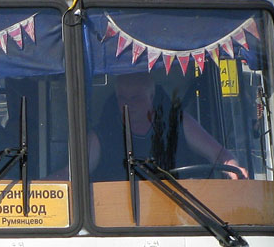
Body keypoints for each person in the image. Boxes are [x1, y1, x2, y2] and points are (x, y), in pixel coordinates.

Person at [89, 70, 247, 180]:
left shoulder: (177, 123)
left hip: (180, 213)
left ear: (151, 97)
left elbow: (221, 156)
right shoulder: (100, 136)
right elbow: (72, 174)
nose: (128, 105)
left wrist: (234, 168)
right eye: (122, 98)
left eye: (136, 98)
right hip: (119, 222)